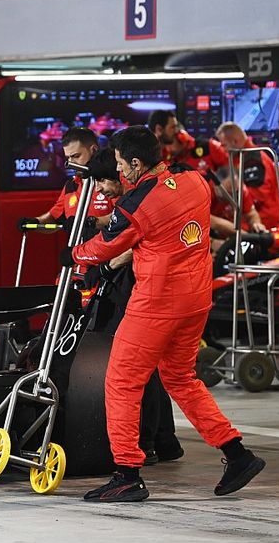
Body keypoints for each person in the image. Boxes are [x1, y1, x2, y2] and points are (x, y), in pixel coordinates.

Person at [63, 126, 264, 501]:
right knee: (180, 378)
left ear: (137, 163)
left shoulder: (139, 202)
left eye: (122, 165)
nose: (120, 173)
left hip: (156, 303)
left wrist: (73, 255)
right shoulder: (193, 179)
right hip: (197, 299)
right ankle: (237, 455)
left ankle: (126, 473)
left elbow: (105, 246)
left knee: (122, 381)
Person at [82, 147, 183, 467]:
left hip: (141, 289)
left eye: (103, 181)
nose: (99, 188)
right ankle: (163, 441)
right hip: (140, 286)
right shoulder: (135, 199)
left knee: (137, 369)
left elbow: (134, 241)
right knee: (152, 368)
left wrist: (103, 267)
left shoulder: (139, 201)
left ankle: (144, 445)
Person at [21, 127, 114, 230]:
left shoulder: (112, 182)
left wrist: (89, 222)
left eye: (76, 156)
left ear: (94, 150)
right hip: (77, 245)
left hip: (106, 245)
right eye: (68, 157)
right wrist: (36, 222)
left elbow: (124, 216)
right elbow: (54, 217)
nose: (71, 163)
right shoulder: (71, 185)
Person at [216, 121, 279, 231]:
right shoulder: (240, 159)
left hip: (265, 222)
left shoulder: (253, 159)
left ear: (235, 142)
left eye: (224, 145)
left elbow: (257, 197)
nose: (222, 150)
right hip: (253, 220)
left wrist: (226, 197)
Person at [149, 110, 229, 174]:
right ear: (159, 129)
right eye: (173, 127)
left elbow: (232, 168)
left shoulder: (208, 146)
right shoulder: (160, 158)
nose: (176, 131)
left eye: (176, 127)